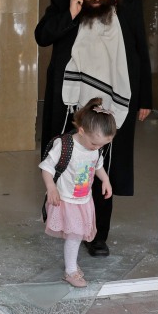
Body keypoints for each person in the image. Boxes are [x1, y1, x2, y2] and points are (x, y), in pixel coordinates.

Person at [35, 0, 152, 257]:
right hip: (70, 101)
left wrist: (145, 99)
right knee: (64, 158)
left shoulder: (129, 5)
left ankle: (97, 236)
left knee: (104, 166)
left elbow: (140, 51)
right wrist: (71, 13)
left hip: (113, 101)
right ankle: (57, 209)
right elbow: (42, 36)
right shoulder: (65, 0)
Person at [39, 98, 116, 288]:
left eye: (102, 145)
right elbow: (47, 168)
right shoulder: (66, 146)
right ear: (81, 131)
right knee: (74, 236)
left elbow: (98, 165)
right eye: (94, 144)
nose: (97, 148)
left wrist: (105, 180)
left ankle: (71, 265)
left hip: (84, 200)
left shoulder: (95, 148)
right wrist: (51, 188)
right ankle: (71, 271)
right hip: (66, 200)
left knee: (77, 234)